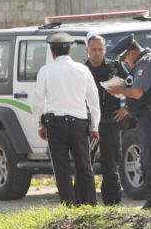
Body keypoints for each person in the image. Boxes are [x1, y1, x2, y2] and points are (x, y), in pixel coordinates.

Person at [32, 32, 101, 207]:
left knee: (61, 169)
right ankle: (89, 204)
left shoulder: (45, 71)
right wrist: (94, 127)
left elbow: (37, 101)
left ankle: (69, 206)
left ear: (52, 52)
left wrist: (40, 125)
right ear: (70, 50)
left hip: (56, 126)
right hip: (79, 125)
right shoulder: (83, 70)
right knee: (84, 166)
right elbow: (93, 100)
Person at [106, 34, 151, 211]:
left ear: (132, 52)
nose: (126, 63)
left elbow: (138, 92)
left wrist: (120, 89)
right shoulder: (146, 62)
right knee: (147, 158)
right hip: (148, 117)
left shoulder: (147, 63)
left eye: (125, 59)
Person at [85, 35, 128, 206]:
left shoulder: (115, 67)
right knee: (85, 164)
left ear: (105, 50)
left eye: (100, 49)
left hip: (110, 121)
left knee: (111, 166)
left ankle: (112, 204)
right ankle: (86, 202)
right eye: (94, 49)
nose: (97, 53)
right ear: (87, 50)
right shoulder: (81, 70)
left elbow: (135, 86)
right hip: (88, 124)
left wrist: (127, 108)